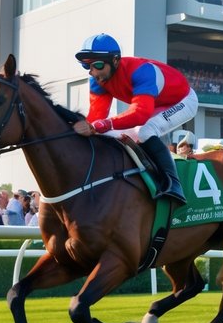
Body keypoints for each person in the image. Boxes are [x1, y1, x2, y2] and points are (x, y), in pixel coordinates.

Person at [72, 33, 197, 205]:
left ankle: (174, 185)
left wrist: (104, 124)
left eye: (98, 65)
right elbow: (96, 118)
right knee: (112, 135)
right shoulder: (97, 81)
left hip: (182, 100)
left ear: (115, 60)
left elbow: (140, 113)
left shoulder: (141, 70)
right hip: (154, 103)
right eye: (87, 67)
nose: (93, 72)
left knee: (145, 131)